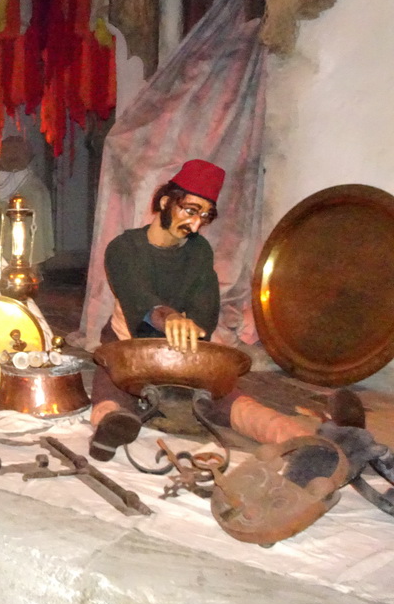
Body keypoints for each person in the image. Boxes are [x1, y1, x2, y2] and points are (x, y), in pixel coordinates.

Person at [89, 159, 363, 461]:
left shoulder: (199, 251)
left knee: (233, 402)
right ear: (166, 201)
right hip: (128, 347)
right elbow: (136, 295)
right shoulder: (124, 248)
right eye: (190, 211)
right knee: (110, 393)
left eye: (204, 216)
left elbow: (205, 310)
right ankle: (110, 426)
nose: (195, 225)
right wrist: (167, 318)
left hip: (183, 353)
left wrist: (192, 334)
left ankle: (312, 443)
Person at [0, 136, 55, 265]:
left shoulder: (33, 183)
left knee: (29, 264)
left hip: (28, 238)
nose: (13, 155)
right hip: (1, 238)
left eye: (17, 150)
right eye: (7, 151)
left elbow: (40, 212)